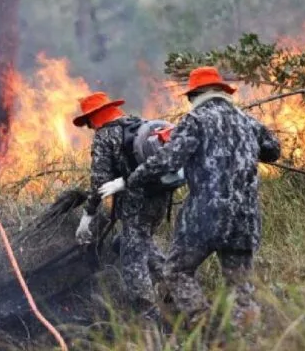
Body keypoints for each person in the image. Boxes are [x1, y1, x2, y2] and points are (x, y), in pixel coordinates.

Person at [124, 66, 281, 326]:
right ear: (222, 92)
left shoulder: (196, 120)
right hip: (245, 218)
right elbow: (273, 151)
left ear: (195, 94)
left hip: (205, 217)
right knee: (241, 287)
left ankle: (204, 324)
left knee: (176, 270)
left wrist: (135, 178)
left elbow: (169, 159)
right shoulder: (248, 121)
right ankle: (246, 339)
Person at [73, 92, 171, 321]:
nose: (90, 127)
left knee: (132, 264)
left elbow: (99, 181)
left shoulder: (105, 135)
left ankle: (151, 321)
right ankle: (178, 288)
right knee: (134, 243)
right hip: (160, 198)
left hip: (136, 206)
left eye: (88, 123)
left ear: (94, 118)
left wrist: (87, 214)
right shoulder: (139, 124)